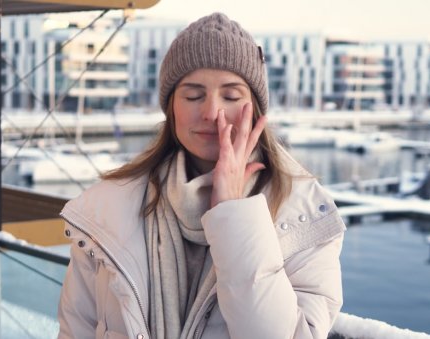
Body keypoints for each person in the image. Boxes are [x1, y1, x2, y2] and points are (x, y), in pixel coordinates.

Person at [57, 12, 346, 339]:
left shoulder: (306, 215)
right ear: (171, 109)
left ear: (256, 107)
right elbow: (75, 329)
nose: (211, 113)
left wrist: (234, 215)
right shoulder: (106, 210)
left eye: (232, 96)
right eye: (193, 96)